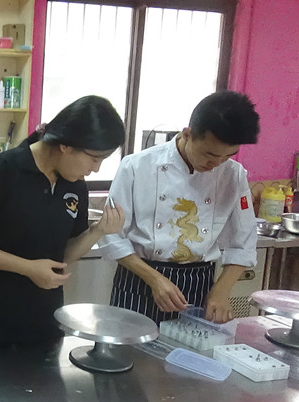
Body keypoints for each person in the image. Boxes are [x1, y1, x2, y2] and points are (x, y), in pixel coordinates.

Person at [0, 95, 126, 346]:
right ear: (66, 145)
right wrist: (28, 268)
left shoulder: (75, 185)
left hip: (45, 321)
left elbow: (61, 256)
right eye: (94, 158)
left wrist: (97, 231)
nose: (95, 169)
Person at [98, 91, 260, 324]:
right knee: (129, 346)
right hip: (139, 281)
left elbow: (244, 242)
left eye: (228, 155)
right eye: (209, 154)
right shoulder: (137, 167)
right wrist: (155, 279)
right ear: (187, 134)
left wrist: (221, 291)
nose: (216, 164)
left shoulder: (233, 175)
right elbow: (112, 237)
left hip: (199, 285)